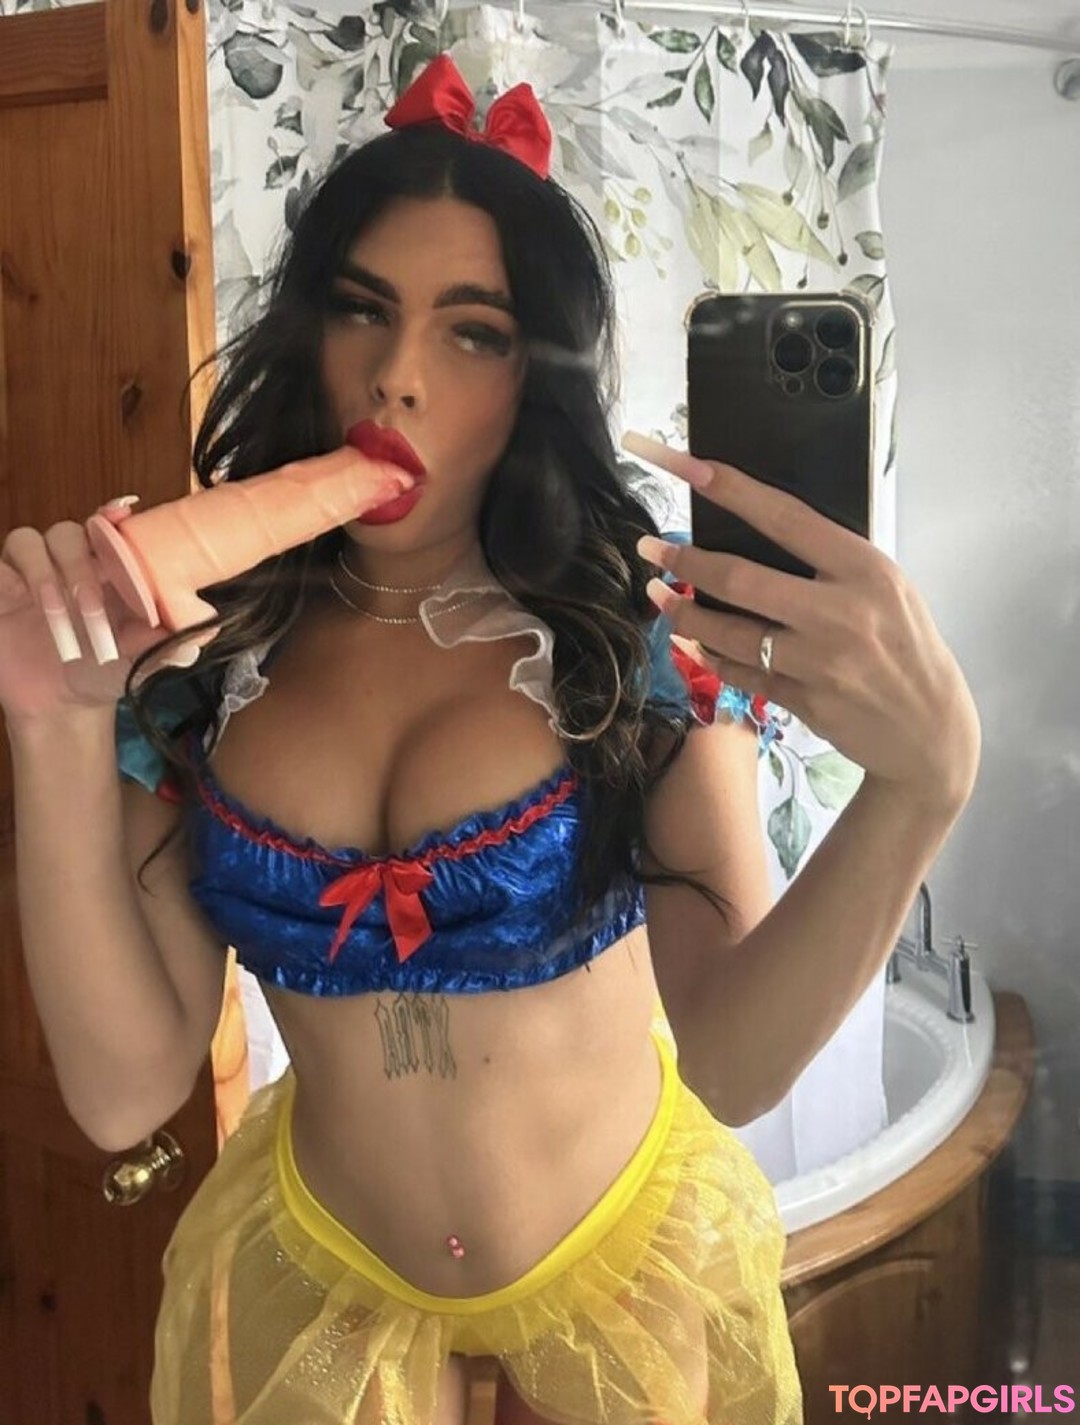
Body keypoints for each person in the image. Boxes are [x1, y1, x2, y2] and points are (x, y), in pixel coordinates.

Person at [0, 54, 979, 1425]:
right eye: (362, 311)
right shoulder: (199, 666)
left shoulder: (636, 636)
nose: (395, 378)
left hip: (621, 1277)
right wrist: (51, 727)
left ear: (536, 379)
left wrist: (920, 788)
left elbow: (735, 1060)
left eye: (474, 333)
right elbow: (120, 1096)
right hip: (318, 1287)